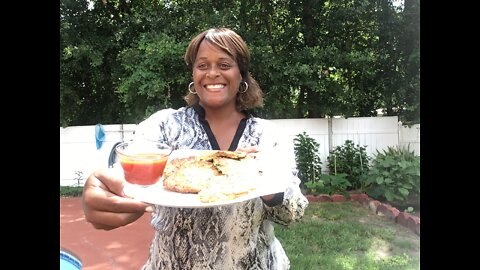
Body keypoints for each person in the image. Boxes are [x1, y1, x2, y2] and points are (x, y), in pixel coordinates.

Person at [82, 27, 309, 270]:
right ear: (193, 74)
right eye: (202, 65)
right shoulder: (165, 126)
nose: (212, 73)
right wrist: (104, 187)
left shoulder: (267, 137)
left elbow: (291, 214)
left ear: (241, 74)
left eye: (224, 64)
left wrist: (265, 183)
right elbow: (132, 169)